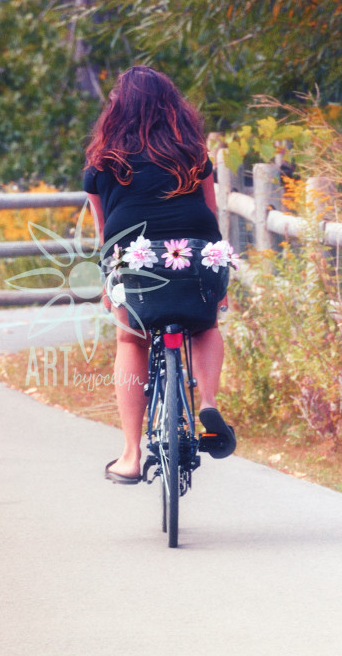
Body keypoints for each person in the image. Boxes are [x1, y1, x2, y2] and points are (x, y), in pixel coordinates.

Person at [83, 65, 236, 483]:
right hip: (198, 255)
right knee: (205, 325)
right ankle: (206, 402)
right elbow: (210, 214)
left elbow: (105, 233)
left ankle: (131, 455)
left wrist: (107, 286)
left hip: (134, 260)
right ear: (173, 108)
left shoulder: (102, 162)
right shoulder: (193, 154)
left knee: (131, 338)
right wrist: (218, 274)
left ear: (117, 110)